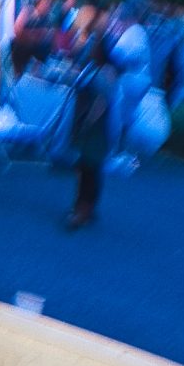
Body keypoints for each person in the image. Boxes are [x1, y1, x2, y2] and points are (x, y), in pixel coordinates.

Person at [65, 28, 120, 228]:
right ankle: (86, 206)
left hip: (95, 130)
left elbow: (102, 102)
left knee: (90, 168)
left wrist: (88, 122)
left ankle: (83, 209)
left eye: (93, 46)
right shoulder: (95, 69)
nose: (89, 49)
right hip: (89, 127)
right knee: (87, 168)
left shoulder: (105, 73)